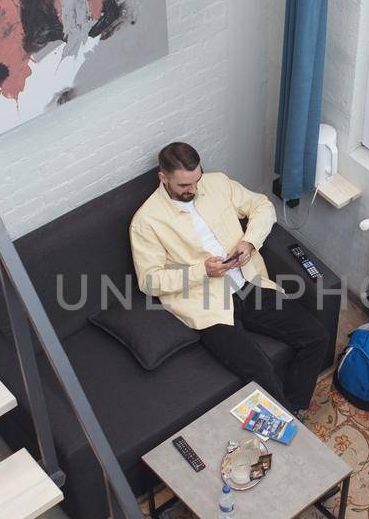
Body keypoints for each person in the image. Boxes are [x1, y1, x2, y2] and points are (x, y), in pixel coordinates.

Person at [129, 141, 329, 414]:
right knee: (261, 372)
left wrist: (250, 242)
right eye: (184, 186)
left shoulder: (217, 184)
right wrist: (203, 271)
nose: (194, 190)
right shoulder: (146, 221)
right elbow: (149, 281)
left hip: (248, 283)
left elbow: (262, 206)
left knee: (316, 336)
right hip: (207, 306)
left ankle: (294, 411)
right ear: (163, 178)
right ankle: (289, 423)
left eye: (196, 181)